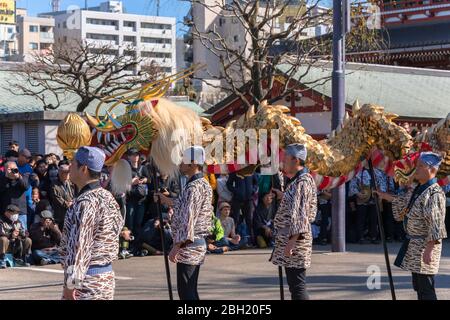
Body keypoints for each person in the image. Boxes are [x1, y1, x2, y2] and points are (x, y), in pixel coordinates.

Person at [377, 152, 446, 300]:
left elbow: (436, 223)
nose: (417, 169)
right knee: (419, 287)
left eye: (421, 166)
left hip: (424, 245)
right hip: (414, 244)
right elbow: (403, 202)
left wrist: (429, 249)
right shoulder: (419, 188)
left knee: (426, 288)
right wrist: (384, 196)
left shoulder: (433, 193)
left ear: (431, 169)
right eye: (417, 166)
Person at [60, 146, 124, 300]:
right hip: (104, 277)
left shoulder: (85, 202)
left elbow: (79, 246)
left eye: (73, 163)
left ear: (84, 169)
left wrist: (71, 284)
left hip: (86, 281)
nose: (69, 167)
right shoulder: (108, 197)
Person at [155, 146, 213, 300]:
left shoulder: (193, 187)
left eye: (183, 160)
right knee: (190, 291)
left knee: (186, 293)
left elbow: (188, 220)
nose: (180, 163)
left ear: (193, 163)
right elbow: (186, 205)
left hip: (189, 244)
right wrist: (167, 201)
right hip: (195, 243)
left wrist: (176, 246)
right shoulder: (203, 183)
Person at [270, 143, 317, 300]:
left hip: (295, 241)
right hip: (291, 239)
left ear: (296, 160)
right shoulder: (298, 181)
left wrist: (291, 243)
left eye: (285, 158)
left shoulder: (302, 182)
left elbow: (300, 215)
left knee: (297, 287)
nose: (283, 162)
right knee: (294, 287)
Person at [226, 172, 258, 244]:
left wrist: (253, 190)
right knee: (236, 220)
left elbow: (256, 183)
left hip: (249, 199)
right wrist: (236, 191)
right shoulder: (236, 170)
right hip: (237, 199)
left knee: (249, 220)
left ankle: (252, 241)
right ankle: (235, 241)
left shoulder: (251, 170)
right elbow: (228, 184)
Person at [126, 148, 149, 236]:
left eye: (137, 155)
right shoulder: (127, 168)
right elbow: (122, 182)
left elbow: (149, 179)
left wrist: (144, 180)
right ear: (129, 157)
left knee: (138, 224)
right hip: (130, 199)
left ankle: (137, 244)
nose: (135, 157)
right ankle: (128, 245)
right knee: (130, 224)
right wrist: (132, 182)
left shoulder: (143, 168)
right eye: (133, 155)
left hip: (141, 200)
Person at [0, 161, 30, 231]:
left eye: (15, 168)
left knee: (22, 234)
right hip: (6, 212)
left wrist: (18, 177)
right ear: (5, 169)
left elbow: (26, 187)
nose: (13, 171)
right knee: (5, 233)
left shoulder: (23, 175)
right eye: (10, 169)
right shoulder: (2, 178)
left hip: (20, 211)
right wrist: (6, 177)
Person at [49, 160, 76, 229]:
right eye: (65, 173)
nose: (68, 174)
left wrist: (74, 202)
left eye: (68, 173)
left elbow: (75, 194)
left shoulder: (71, 183)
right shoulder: (54, 185)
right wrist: (67, 204)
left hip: (72, 213)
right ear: (60, 173)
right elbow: (57, 197)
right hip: (60, 214)